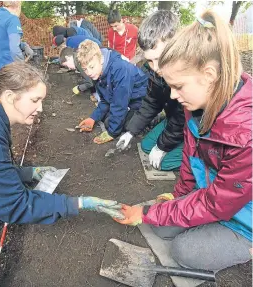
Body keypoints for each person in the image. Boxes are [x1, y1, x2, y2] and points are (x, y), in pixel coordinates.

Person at [113, 11, 252, 272]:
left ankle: (246, 245)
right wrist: (177, 196)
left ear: (209, 75)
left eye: (178, 86)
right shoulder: (197, 103)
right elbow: (190, 159)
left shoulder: (246, 132)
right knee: (161, 223)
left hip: (244, 218)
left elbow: (218, 202)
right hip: (217, 198)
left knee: (184, 251)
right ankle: (205, 221)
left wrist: (145, 213)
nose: (173, 97)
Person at [0, 62, 122, 260]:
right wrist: (79, 203)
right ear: (9, 96)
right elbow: (16, 205)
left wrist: (28, 173)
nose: (40, 108)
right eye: (35, 100)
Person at [116, 11, 185, 171]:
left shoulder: (188, 72)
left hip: (193, 125)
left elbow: (183, 116)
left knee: (164, 162)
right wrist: (130, 132)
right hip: (173, 118)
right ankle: (166, 127)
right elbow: (151, 102)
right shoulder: (154, 71)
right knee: (147, 147)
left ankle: (194, 151)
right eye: (150, 60)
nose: (156, 68)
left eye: (160, 58)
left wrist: (163, 147)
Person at [77, 40, 148, 144]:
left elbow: (119, 104)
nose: (89, 73)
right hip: (127, 99)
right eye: (85, 69)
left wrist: (111, 133)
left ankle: (153, 119)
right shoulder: (98, 72)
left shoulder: (120, 69)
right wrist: (93, 118)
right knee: (108, 118)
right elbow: (106, 100)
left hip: (143, 100)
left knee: (124, 124)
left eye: (91, 67)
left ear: (101, 59)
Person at [0, 1, 34, 71]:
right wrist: (23, 68)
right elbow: (14, 50)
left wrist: (24, 45)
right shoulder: (12, 19)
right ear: (18, 6)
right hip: (0, 68)